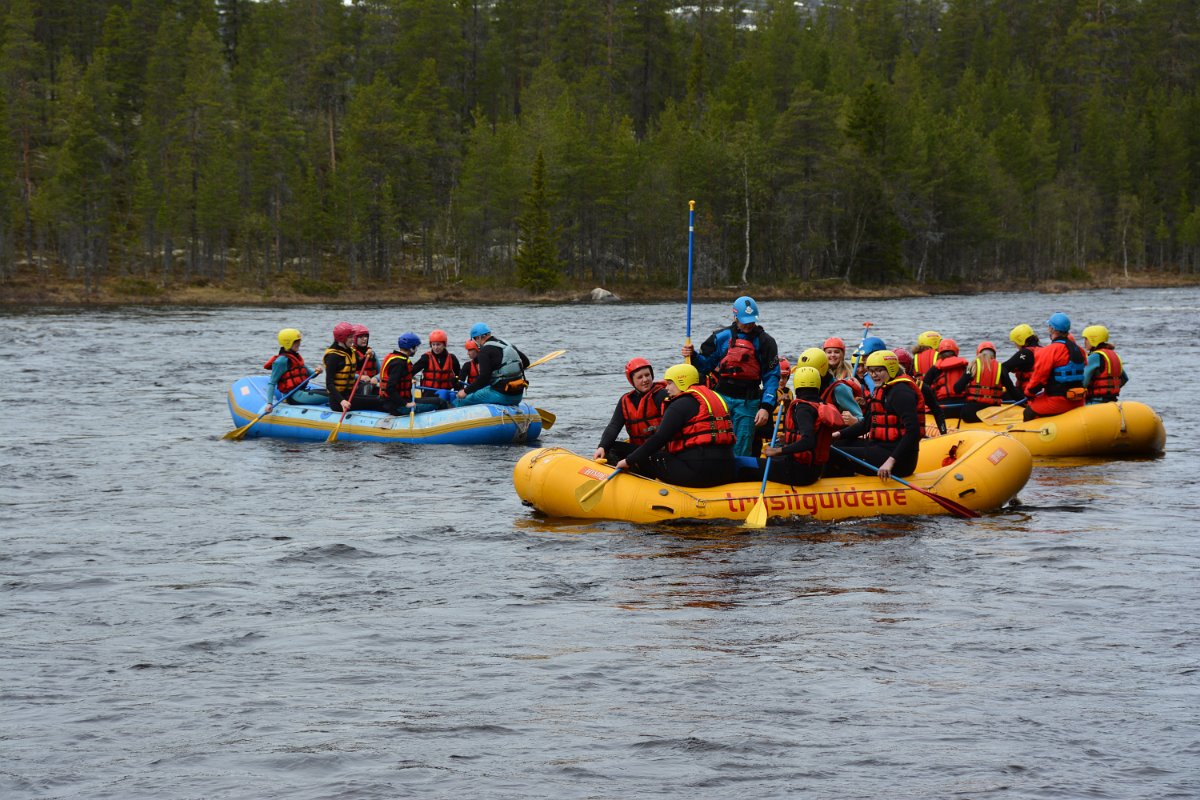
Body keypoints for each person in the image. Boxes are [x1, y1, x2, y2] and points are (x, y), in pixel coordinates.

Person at [683, 295, 780, 457]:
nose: (748, 324)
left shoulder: (766, 342)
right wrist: (692, 355)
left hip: (748, 402)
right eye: (744, 320)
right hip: (721, 400)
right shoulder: (721, 337)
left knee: (741, 446)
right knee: (717, 442)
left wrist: (765, 407)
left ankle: (739, 469)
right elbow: (705, 366)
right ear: (735, 317)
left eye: (751, 320)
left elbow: (771, 377)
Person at [615, 363, 737, 488]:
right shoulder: (716, 397)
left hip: (697, 472)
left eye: (669, 383)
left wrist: (629, 460)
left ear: (681, 382)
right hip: (727, 470)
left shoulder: (679, 404)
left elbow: (659, 438)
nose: (666, 388)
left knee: (644, 455)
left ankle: (639, 488)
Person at [827, 350, 924, 480]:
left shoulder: (901, 393)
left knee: (831, 453)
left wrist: (890, 461)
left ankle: (841, 483)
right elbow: (867, 424)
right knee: (838, 444)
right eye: (871, 371)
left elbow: (913, 431)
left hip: (899, 460)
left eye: (879, 370)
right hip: (879, 447)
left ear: (891, 369)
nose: (874, 375)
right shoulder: (883, 388)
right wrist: (838, 435)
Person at [760, 366, 843, 487]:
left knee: (745, 463)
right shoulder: (819, 404)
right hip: (813, 470)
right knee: (765, 459)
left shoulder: (803, 408)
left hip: (799, 472)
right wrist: (788, 439)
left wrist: (778, 451)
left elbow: (809, 441)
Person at [594, 357, 670, 464]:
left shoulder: (662, 395)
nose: (645, 380)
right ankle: (630, 469)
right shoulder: (625, 400)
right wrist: (602, 446)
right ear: (632, 380)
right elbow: (614, 426)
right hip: (639, 452)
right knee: (609, 448)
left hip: (660, 452)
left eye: (647, 375)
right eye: (640, 377)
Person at [1023, 312, 1086, 420]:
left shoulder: (1050, 350)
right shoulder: (1080, 350)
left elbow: (1038, 379)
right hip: (1078, 400)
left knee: (1028, 412)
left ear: (1052, 329)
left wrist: (1028, 394)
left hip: (1059, 401)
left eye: (1049, 326)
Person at [456, 322, 531, 406]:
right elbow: (526, 362)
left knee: (462, 400)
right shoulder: (507, 344)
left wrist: (465, 391)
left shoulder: (484, 351)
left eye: (474, 339)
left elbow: (484, 378)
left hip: (502, 395)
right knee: (487, 388)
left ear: (478, 337)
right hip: (518, 396)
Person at [379, 332, 447, 416]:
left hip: (396, 402)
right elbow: (389, 388)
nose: (416, 350)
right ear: (411, 348)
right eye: (416, 347)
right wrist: (405, 404)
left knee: (434, 400)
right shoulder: (399, 363)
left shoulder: (394, 358)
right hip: (398, 406)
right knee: (441, 402)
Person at [263, 328, 325, 412]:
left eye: (299, 341)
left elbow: (311, 375)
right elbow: (272, 383)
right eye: (296, 341)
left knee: (332, 392)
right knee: (331, 396)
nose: (299, 343)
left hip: (302, 391)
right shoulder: (281, 361)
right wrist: (269, 403)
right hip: (293, 396)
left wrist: (317, 371)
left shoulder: (296, 358)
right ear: (287, 343)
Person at [324, 321, 382, 412]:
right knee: (379, 402)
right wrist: (342, 401)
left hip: (350, 395)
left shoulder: (350, 351)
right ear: (342, 338)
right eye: (350, 337)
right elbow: (329, 384)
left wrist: (367, 356)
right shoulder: (333, 357)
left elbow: (358, 367)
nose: (352, 339)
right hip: (338, 401)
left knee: (381, 398)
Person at [797, 346, 862, 426]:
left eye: (810, 372)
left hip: (835, 432)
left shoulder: (839, 389)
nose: (805, 376)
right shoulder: (803, 389)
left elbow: (861, 419)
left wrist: (855, 420)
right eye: (803, 372)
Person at [954, 341, 1016, 422]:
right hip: (993, 414)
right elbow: (1013, 392)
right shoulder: (1001, 368)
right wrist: (1026, 402)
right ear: (994, 355)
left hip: (972, 414)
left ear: (978, 353)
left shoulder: (973, 366)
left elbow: (957, 389)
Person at [895, 346, 947, 435]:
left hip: (906, 436)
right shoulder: (921, 387)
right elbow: (937, 411)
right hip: (902, 436)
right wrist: (943, 432)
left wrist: (944, 434)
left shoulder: (921, 387)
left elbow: (937, 411)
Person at [920, 338, 969, 417]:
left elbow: (924, 386)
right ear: (956, 351)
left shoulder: (935, 367)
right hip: (962, 407)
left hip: (943, 408)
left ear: (940, 352)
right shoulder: (965, 366)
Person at [1081, 325, 1128, 403]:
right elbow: (1124, 378)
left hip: (1095, 401)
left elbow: (1083, 383)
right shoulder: (1113, 355)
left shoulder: (1094, 357)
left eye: (1086, 339)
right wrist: (1111, 388)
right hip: (1112, 401)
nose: (1084, 342)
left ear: (1093, 340)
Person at [1003, 323, 1040, 397]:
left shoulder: (1025, 353)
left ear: (1020, 341)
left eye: (1015, 342)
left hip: (1024, 393)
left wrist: (1009, 387)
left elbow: (1002, 368)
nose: (1016, 345)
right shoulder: (1043, 350)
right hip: (1039, 391)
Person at [351, 324, 380, 396]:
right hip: (356, 386)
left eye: (366, 336)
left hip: (372, 383)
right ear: (355, 338)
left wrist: (376, 378)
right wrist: (360, 377)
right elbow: (345, 374)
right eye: (361, 337)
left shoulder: (372, 354)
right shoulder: (350, 353)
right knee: (367, 386)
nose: (364, 339)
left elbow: (382, 372)